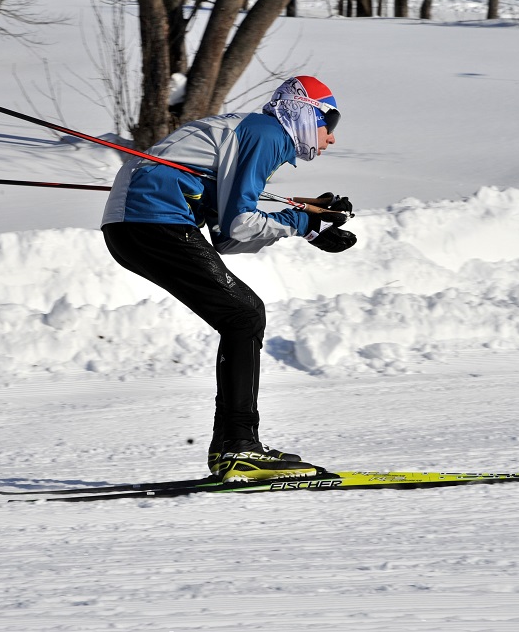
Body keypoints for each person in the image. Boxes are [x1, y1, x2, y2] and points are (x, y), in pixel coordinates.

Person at [101, 76, 355, 482]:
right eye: (331, 122)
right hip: (151, 220)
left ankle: (235, 445)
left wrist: (309, 219)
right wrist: (303, 222)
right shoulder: (268, 134)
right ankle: (238, 448)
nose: (332, 138)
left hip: (133, 225)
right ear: (306, 111)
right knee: (244, 316)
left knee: (241, 315)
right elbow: (239, 226)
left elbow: (225, 236)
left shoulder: (255, 131)